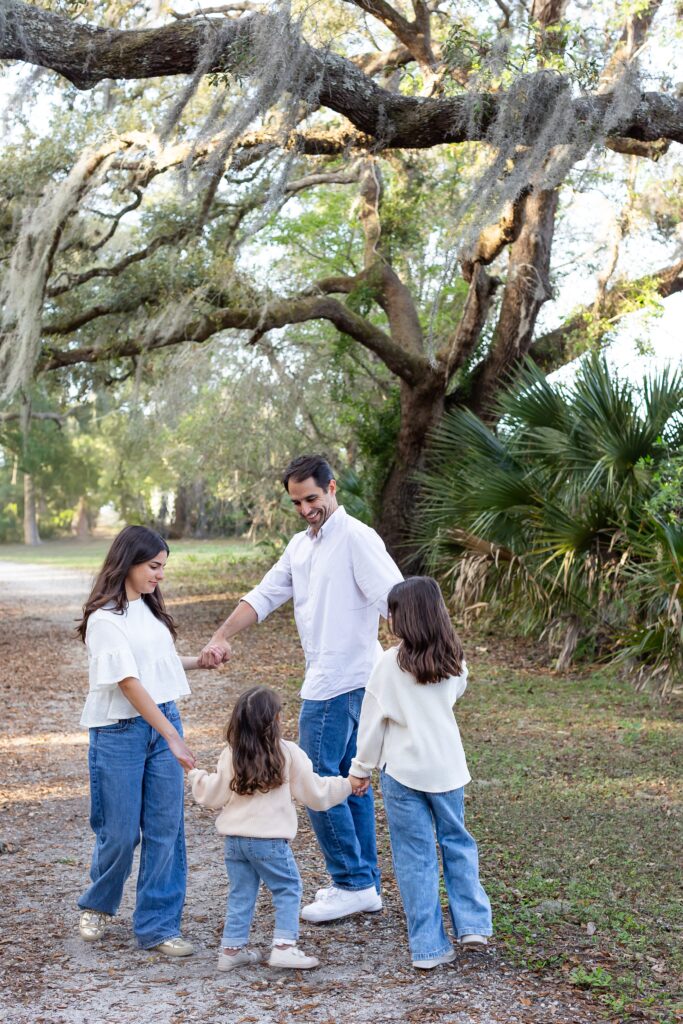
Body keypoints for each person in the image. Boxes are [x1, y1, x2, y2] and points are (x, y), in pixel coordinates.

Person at [199, 454, 402, 922]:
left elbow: (396, 600)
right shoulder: (301, 546)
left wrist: (426, 660)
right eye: (296, 502)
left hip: (343, 682)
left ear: (332, 488)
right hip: (333, 679)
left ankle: (351, 881)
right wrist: (221, 635)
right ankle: (363, 882)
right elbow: (265, 594)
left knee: (311, 778)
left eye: (312, 498)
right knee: (353, 782)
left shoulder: (356, 538)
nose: (306, 508)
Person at [76, 525, 219, 956]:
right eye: (154, 566)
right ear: (129, 562)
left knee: (166, 830)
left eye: (163, 567)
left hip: (162, 721)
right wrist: (172, 736)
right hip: (119, 733)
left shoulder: (150, 610)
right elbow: (128, 681)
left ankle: (158, 926)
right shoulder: (104, 620)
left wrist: (199, 661)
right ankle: (99, 903)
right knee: (119, 833)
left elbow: (156, 664)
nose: (160, 575)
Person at [349, 576, 492, 969]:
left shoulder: (388, 665)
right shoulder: (454, 658)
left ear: (404, 616)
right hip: (447, 768)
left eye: (391, 611)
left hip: (404, 773)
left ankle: (428, 947)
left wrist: (360, 770)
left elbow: (372, 723)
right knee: (457, 844)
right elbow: (454, 695)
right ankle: (474, 925)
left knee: (415, 857)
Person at [189, 687, 366, 970]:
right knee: (288, 888)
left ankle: (231, 950)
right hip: (268, 842)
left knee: (241, 893)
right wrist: (347, 784)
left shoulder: (231, 753)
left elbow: (213, 795)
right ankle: (284, 946)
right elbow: (316, 793)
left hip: (234, 841)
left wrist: (196, 775)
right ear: (276, 719)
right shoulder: (288, 753)